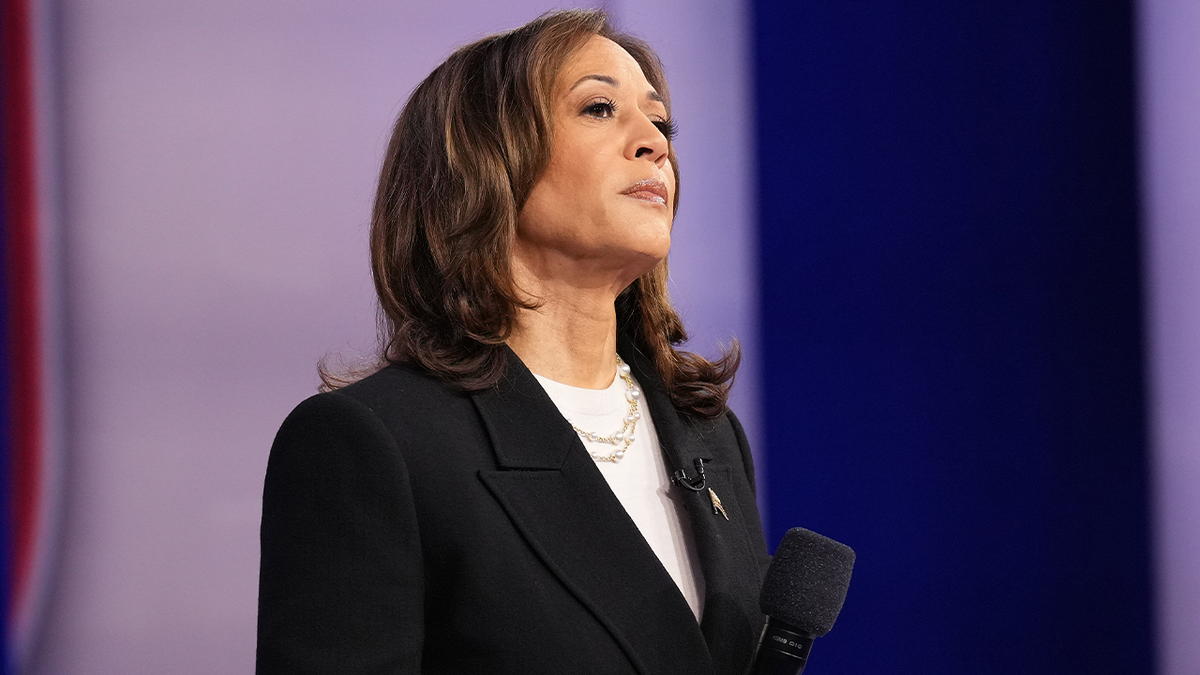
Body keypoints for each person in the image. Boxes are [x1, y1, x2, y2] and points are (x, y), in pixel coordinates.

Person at [256, 9, 770, 675]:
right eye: (599, 107)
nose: (654, 143)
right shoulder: (374, 443)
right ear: (483, 165)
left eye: (662, 122)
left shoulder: (709, 433)